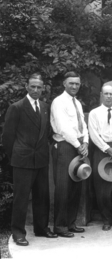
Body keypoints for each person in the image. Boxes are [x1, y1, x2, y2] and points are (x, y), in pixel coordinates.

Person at [3, 73, 57, 246]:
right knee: (21, 197)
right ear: (26, 87)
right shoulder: (17, 107)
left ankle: (41, 229)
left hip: (41, 159)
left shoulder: (45, 107)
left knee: (42, 195)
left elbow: (46, 132)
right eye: (32, 86)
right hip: (22, 160)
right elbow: (8, 137)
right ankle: (18, 232)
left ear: (43, 89)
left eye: (39, 87)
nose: (35, 90)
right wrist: (17, 157)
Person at [50, 71, 89, 237]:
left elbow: (83, 125)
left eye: (77, 84)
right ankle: (59, 226)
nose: (74, 86)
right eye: (71, 83)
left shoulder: (77, 103)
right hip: (65, 146)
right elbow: (63, 128)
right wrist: (79, 145)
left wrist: (85, 142)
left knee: (75, 185)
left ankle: (71, 223)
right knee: (63, 187)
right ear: (64, 84)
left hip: (78, 145)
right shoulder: (58, 102)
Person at [88, 85, 112, 231]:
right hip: (102, 151)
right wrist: (107, 148)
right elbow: (93, 134)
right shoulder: (94, 113)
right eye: (106, 94)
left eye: (111, 94)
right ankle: (107, 219)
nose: (109, 96)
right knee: (103, 188)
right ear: (101, 95)